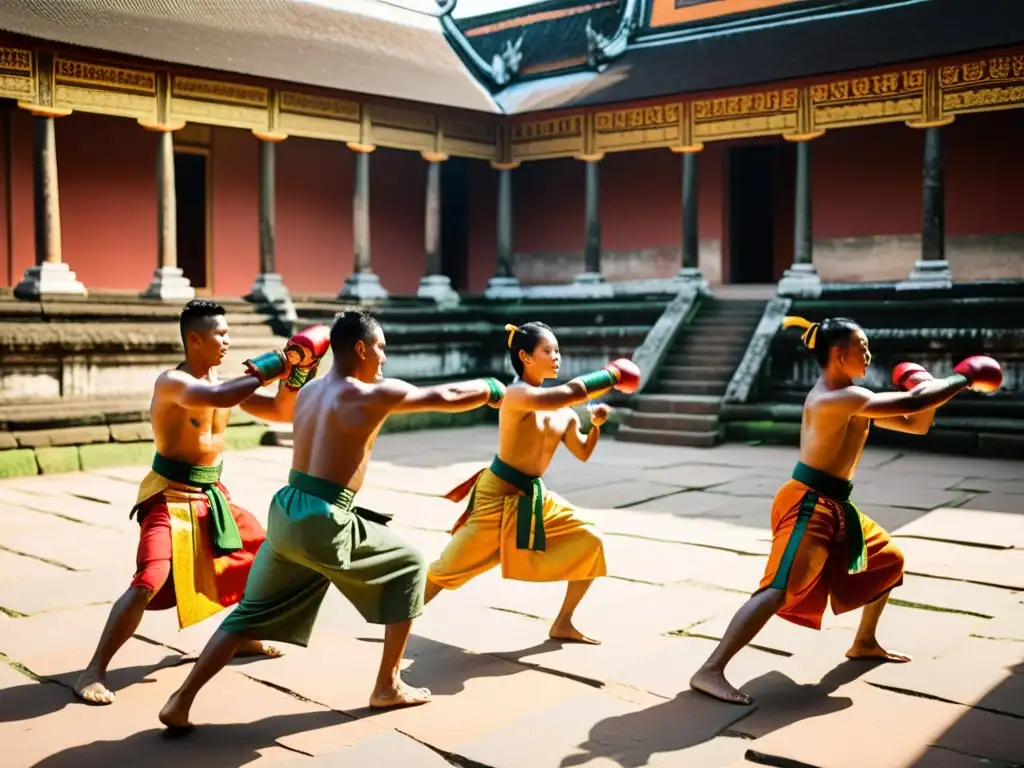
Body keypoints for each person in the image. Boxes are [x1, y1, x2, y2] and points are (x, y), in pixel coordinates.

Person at [157, 309, 507, 729]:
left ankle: (181, 698)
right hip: (324, 519)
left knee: (248, 614)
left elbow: (275, 405)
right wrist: (492, 387)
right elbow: (448, 397)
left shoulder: (309, 393)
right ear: (360, 348)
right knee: (411, 564)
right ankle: (388, 686)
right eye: (381, 348)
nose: (384, 358)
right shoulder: (370, 393)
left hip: (287, 508)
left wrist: (289, 368)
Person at [688, 315, 1003, 705]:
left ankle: (864, 641)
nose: (869, 355)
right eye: (863, 348)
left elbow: (915, 422)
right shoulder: (834, 399)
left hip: (836, 505)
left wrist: (924, 388)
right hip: (807, 505)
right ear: (839, 355)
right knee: (777, 590)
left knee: (888, 561)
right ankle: (710, 669)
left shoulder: (854, 397)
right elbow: (914, 402)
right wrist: (962, 378)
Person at [75, 300, 331, 705]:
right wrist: (276, 362)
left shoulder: (223, 384)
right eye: (220, 334)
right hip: (169, 494)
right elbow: (223, 395)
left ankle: (244, 637)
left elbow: (283, 412)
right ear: (195, 340)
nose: (228, 340)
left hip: (212, 496)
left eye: (229, 333)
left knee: (265, 560)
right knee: (149, 580)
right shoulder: (173, 384)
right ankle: (93, 670)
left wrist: (297, 373)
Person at [424, 322, 640, 644]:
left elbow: (582, 452)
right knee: (446, 568)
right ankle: (396, 616)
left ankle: (563, 623)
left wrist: (595, 426)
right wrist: (611, 375)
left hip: (534, 497)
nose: (556, 357)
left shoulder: (563, 412)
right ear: (525, 357)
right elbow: (568, 392)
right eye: (547, 351)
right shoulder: (518, 395)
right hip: (496, 495)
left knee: (591, 541)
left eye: (557, 351)